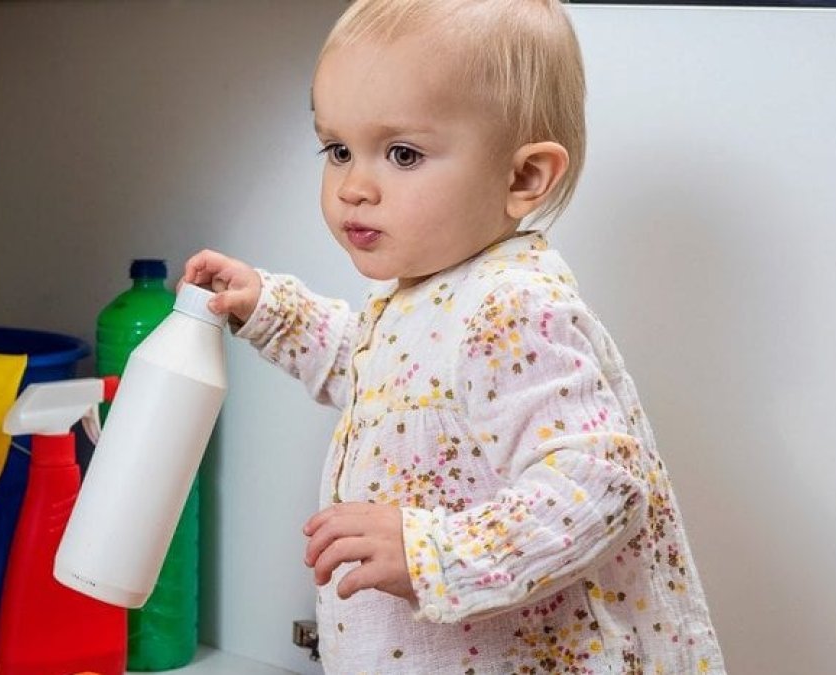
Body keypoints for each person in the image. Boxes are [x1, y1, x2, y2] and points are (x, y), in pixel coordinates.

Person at [184, 1, 725, 672]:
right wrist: (273, 308)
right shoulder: (428, 293)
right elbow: (384, 378)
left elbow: (599, 483)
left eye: (402, 153)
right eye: (338, 149)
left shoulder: (509, 306)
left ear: (523, 177)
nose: (354, 186)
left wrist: (431, 550)